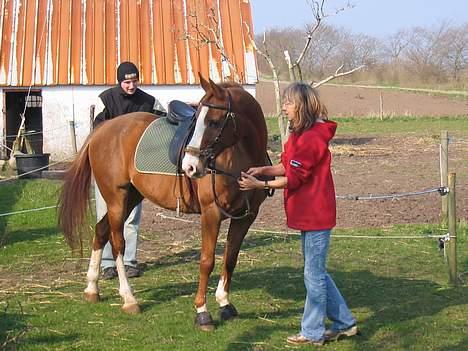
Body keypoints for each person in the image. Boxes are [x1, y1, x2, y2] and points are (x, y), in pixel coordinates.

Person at [238, 82, 358, 345]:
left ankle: (313, 331)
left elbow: (294, 178)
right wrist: (262, 170)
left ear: (301, 105)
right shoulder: (299, 134)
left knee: (313, 275)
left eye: (288, 103)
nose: (284, 108)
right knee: (317, 273)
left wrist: (260, 185)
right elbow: (286, 166)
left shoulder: (312, 138)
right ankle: (345, 322)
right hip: (308, 215)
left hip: (316, 214)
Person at [93, 61, 165, 280]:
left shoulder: (150, 102)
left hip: (137, 168)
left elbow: (163, 128)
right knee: (105, 214)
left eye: (134, 81)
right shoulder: (105, 100)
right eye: (127, 82)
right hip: (108, 169)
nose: (131, 86)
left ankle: (129, 261)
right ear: (119, 81)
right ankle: (107, 263)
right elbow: (96, 133)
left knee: (131, 216)